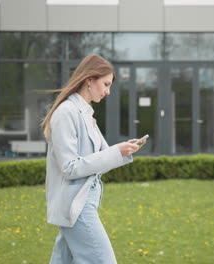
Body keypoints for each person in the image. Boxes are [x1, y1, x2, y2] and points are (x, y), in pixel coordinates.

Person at [41, 54, 146, 264]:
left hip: (82, 201)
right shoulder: (66, 113)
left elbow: (102, 158)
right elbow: (69, 167)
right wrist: (116, 152)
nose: (108, 91)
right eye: (106, 84)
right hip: (76, 205)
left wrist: (123, 150)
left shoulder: (86, 115)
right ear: (89, 79)